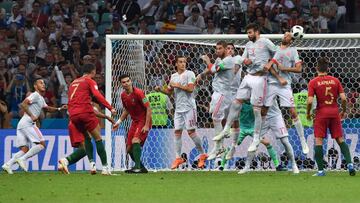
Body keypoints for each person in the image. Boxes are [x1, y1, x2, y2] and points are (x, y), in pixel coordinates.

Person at [215, 23, 277, 153]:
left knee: (256, 110)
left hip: (260, 78)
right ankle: (226, 129)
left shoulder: (265, 42)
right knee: (236, 102)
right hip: (249, 76)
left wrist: (270, 63)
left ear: (257, 32)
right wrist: (244, 61)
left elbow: (278, 52)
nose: (248, 35)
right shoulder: (248, 45)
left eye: (250, 33)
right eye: (247, 33)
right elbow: (243, 59)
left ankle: (256, 138)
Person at [2, 77, 66, 174]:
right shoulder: (35, 95)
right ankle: (22, 159)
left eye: (44, 83)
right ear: (35, 86)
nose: (43, 84)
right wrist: (32, 115)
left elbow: (47, 108)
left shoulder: (40, 98)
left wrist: (59, 109)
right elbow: (23, 104)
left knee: (25, 149)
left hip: (22, 124)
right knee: (42, 144)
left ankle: (7, 164)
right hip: (28, 123)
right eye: (41, 83)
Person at [155, 56, 208, 169]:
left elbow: (190, 89)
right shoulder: (173, 76)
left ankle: (202, 154)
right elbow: (169, 92)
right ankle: (178, 157)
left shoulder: (190, 74)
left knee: (191, 132)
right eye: (180, 62)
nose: (183, 64)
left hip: (189, 107)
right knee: (177, 132)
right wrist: (160, 90)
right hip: (178, 108)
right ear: (176, 64)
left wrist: (177, 85)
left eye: (184, 62)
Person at [307, 57, 356, 177]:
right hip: (334, 112)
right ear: (327, 68)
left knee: (318, 140)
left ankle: (320, 171)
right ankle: (350, 164)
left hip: (321, 113)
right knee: (340, 139)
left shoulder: (313, 82)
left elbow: (309, 101)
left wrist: (308, 113)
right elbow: (344, 98)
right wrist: (343, 110)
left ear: (316, 68)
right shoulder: (335, 80)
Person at [264, 31, 309, 154]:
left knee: (293, 111)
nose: (285, 36)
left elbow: (299, 69)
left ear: (292, 39)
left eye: (288, 35)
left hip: (285, 84)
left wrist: (285, 69)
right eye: (284, 34)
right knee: (263, 110)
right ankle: (258, 137)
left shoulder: (293, 50)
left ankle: (303, 140)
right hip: (272, 83)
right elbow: (269, 65)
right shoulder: (274, 49)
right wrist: (278, 77)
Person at [67, 64, 116, 175]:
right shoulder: (89, 81)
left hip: (73, 115)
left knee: (86, 137)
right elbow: (97, 95)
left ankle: (92, 165)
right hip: (85, 113)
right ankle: (105, 168)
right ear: (93, 72)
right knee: (98, 138)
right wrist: (110, 107)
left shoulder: (73, 83)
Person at [196, 41, 235, 160]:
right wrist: (201, 74)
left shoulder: (228, 60)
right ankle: (221, 143)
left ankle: (218, 147)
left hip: (223, 93)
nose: (217, 51)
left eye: (219, 49)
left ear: (224, 49)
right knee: (214, 116)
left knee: (215, 118)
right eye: (216, 49)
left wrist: (207, 61)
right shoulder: (219, 60)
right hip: (216, 93)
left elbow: (214, 70)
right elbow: (211, 69)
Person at [237, 99, 299, 174]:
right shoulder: (255, 90)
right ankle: (246, 167)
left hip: (275, 117)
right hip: (262, 118)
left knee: (285, 141)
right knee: (254, 142)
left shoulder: (272, 87)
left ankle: (293, 164)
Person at [58, 104, 115, 175]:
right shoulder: (85, 102)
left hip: (74, 124)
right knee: (86, 148)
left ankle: (64, 163)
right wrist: (107, 117)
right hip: (78, 125)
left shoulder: (76, 100)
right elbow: (94, 112)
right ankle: (66, 161)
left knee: (84, 148)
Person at [113, 74, 152, 173]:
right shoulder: (123, 95)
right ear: (121, 84)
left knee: (135, 141)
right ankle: (141, 168)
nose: (126, 83)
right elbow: (126, 110)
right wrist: (119, 122)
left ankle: (137, 167)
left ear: (131, 81)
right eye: (123, 82)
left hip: (143, 120)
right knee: (129, 149)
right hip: (134, 122)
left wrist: (147, 125)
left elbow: (148, 108)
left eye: (127, 81)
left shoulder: (139, 93)